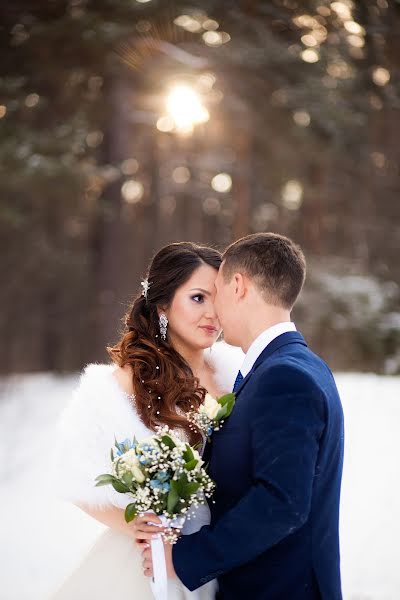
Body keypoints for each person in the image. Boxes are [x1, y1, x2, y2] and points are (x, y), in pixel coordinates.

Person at [140, 233, 344, 600]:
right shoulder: (294, 367)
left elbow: (281, 503)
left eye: (214, 291)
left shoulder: (285, 377)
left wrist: (185, 558)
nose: (213, 311)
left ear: (238, 286)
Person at [50, 241, 243, 600]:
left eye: (219, 299)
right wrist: (132, 524)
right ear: (163, 304)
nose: (212, 313)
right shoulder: (122, 384)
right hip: (153, 565)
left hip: (223, 554)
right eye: (198, 298)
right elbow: (71, 471)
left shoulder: (233, 372)